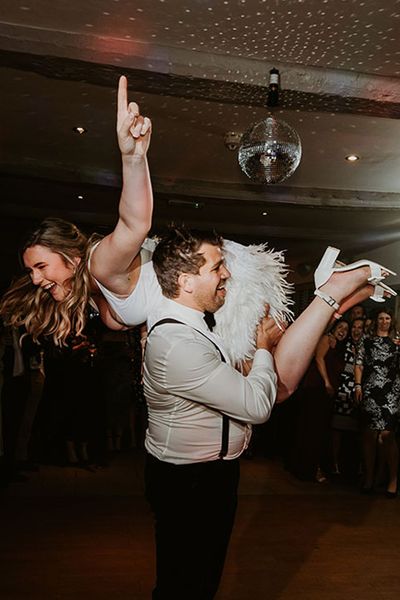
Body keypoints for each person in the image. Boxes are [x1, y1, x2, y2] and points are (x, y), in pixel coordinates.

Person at [0, 75, 153, 344]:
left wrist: (133, 158)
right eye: (31, 271)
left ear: (71, 255)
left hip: (239, 300)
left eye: (40, 266)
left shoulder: (100, 264)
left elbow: (135, 224)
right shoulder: (90, 292)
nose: (35, 279)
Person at [354, 310, 400, 497]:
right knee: (369, 435)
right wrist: (358, 385)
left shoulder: (397, 342)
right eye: (381, 318)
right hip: (371, 390)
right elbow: (359, 364)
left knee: (388, 435)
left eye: (387, 318)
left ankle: (393, 480)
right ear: (376, 321)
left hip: (392, 391)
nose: (384, 321)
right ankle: (369, 478)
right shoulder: (366, 340)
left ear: (392, 321)